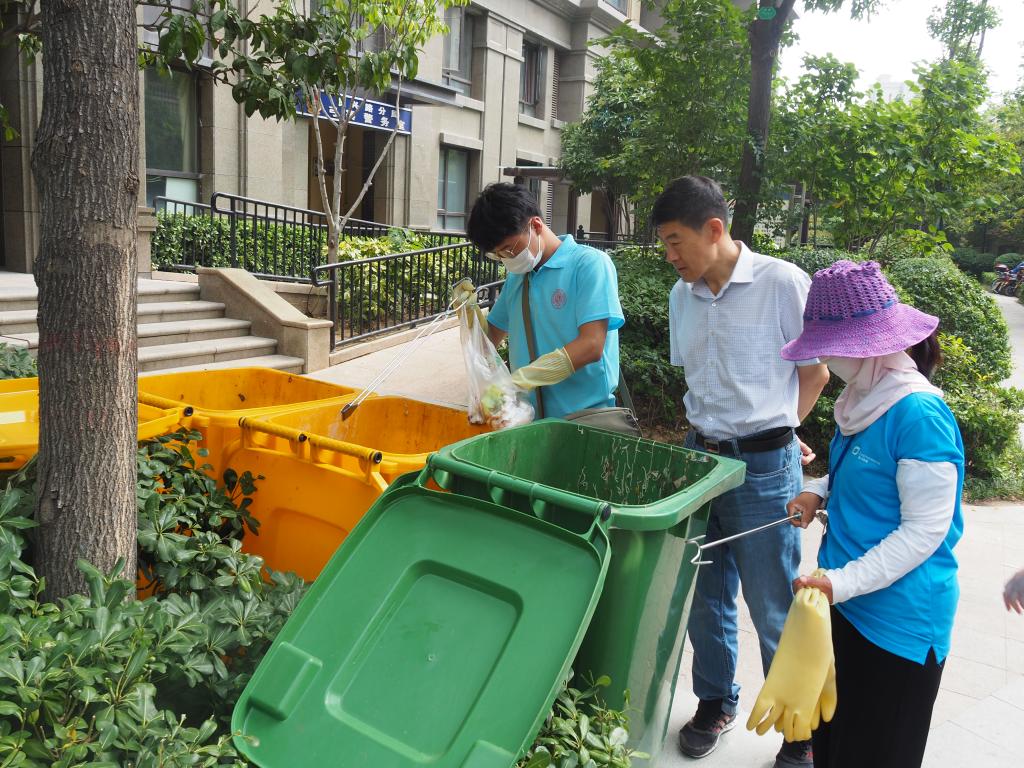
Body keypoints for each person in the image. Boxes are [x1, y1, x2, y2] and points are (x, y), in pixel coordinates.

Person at [652, 176, 830, 767]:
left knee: (772, 600)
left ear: (714, 229)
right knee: (705, 595)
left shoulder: (781, 283)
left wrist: (785, 430)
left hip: (764, 466)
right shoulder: (683, 297)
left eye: (676, 242)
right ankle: (714, 702)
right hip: (699, 457)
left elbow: (815, 374)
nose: (670, 256)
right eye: (664, 245)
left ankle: (798, 732)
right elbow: (697, 380)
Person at [783, 260, 964, 768]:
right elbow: (860, 472)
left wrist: (841, 583)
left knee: (878, 751)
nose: (822, 357)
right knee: (836, 744)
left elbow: (924, 531)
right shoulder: (862, 396)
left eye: (829, 346)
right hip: (844, 603)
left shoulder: (918, 414)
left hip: (897, 621)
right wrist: (818, 491)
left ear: (866, 345)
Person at [455, 182, 624, 419]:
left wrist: (523, 379)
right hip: (529, 420)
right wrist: (469, 313)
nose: (507, 258)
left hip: (584, 420)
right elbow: (488, 342)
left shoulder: (589, 264)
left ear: (535, 225)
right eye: (498, 254)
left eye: (509, 248)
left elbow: (592, 345)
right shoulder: (518, 279)